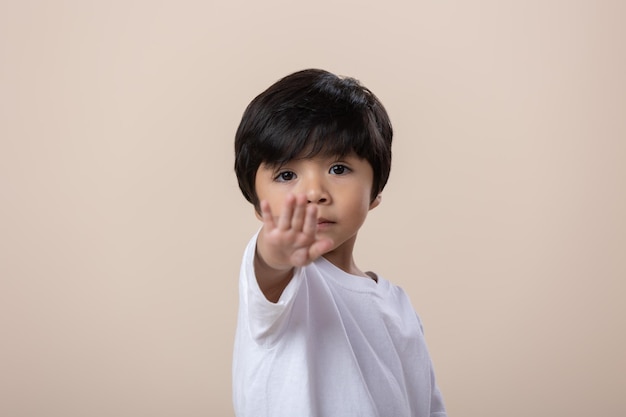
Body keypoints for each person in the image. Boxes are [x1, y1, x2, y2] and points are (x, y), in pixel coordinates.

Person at [232, 68, 447, 417]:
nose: (314, 193)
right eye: (287, 175)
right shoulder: (285, 286)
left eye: (339, 169)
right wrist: (277, 252)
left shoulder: (399, 307)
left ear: (375, 191)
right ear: (259, 206)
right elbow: (269, 269)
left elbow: (427, 406)